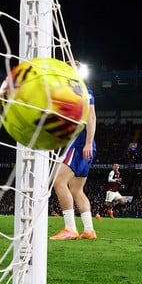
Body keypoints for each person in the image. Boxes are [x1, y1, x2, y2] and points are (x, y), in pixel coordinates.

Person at [50, 83, 98, 240]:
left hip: (81, 144)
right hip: (84, 143)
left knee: (58, 181)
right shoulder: (74, 91)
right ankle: (89, 230)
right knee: (77, 190)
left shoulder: (82, 89)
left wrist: (88, 143)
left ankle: (70, 228)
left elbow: (91, 116)